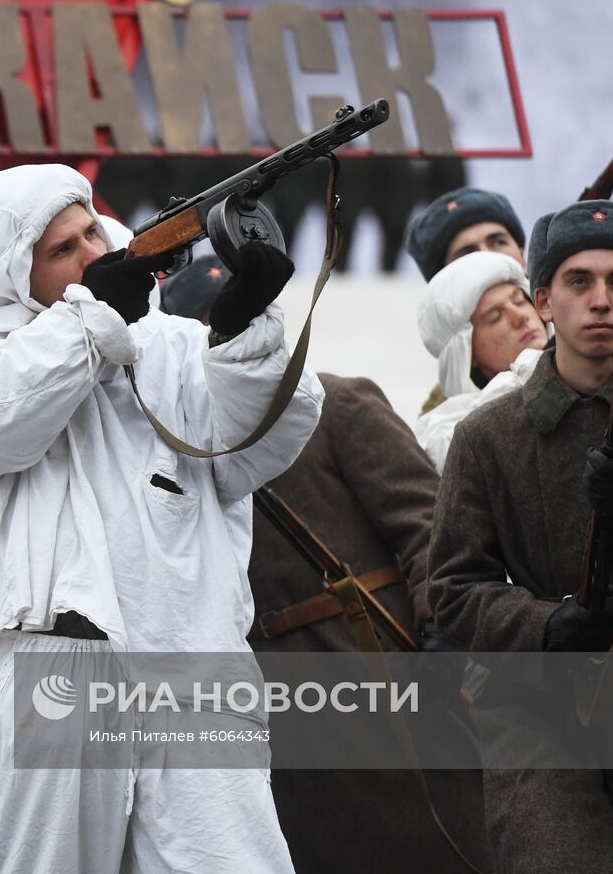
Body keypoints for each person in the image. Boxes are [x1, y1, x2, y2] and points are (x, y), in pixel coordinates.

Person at [0, 164, 321, 872]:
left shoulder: (170, 343)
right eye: (61, 250)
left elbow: (250, 453)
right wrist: (92, 318)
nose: (91, 252)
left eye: (91, 231)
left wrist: (243, 335)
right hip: (54, 671)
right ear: (16, 276)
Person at [162, 252, 491, 873]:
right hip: (270, 708)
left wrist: (442, 637)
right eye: (211, 330)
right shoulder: (174, 453)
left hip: (377, 672)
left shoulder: (337, 403)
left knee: (442, 842)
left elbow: (429, 528)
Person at [428, 199, 613, 873]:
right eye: (579, 282)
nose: (602, 301)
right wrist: (546, 625)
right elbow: (452, 590)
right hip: (540, 705)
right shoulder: (484, 437)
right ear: (544, 300)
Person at [413, 251, 549, 471]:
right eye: (495, 316)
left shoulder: (597, 368)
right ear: (468, 354)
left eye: (520, 301)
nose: (520, 316)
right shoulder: (440, 433)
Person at [405, 187, 529, 414]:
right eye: (467, 253)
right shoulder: (444, 417)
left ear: (522, 254)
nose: (488, 257)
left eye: (498, 242)